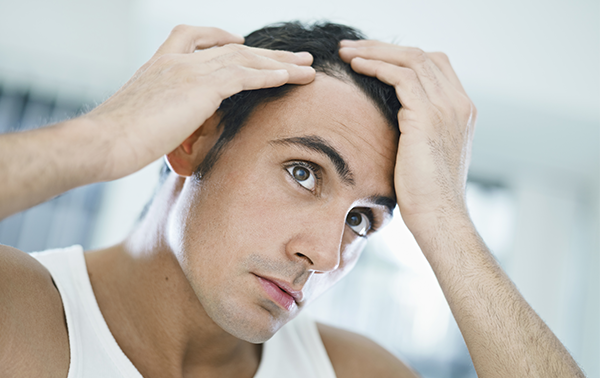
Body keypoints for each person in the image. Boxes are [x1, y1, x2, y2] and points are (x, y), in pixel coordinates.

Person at [0, 21, 584, 378]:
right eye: (305, 173)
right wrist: (105, 138)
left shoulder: (351, 373)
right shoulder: (21, 316)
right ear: (192, 141)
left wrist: (447, 220)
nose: (326, 256)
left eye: (362, 219)